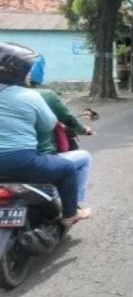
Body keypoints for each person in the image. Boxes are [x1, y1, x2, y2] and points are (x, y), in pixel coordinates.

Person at [0, 42, 89, 226]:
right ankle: (70, 215)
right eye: (28, 69)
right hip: (21, 161)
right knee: (66, 169)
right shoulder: (30, 96)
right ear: (20, 71)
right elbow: (47, 125)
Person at [28, 65, 94, 210]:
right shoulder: (43, 95)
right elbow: (64, 118)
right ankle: (71, 209)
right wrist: (82, 129)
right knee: (79, 160)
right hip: (32, 158)